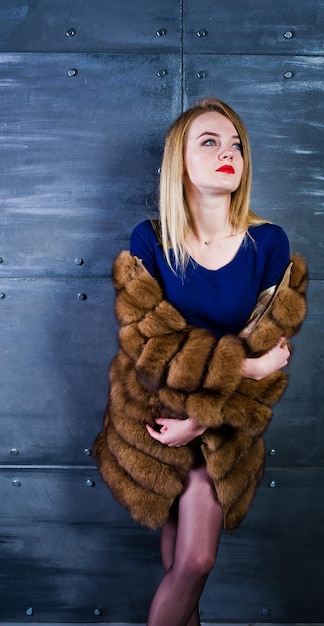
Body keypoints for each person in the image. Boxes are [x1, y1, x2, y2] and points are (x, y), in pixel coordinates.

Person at [93, 97, 307, 626]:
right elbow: (150, 347)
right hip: (153, 422)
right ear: (178, 161)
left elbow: (272, 348)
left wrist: (204, 415)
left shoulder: (269, 244)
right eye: (208, 142)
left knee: (194, 559)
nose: (226, 151)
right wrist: (246, 369)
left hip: (221, 430)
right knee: (180, 566)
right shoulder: (150, 240)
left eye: (235, 143)